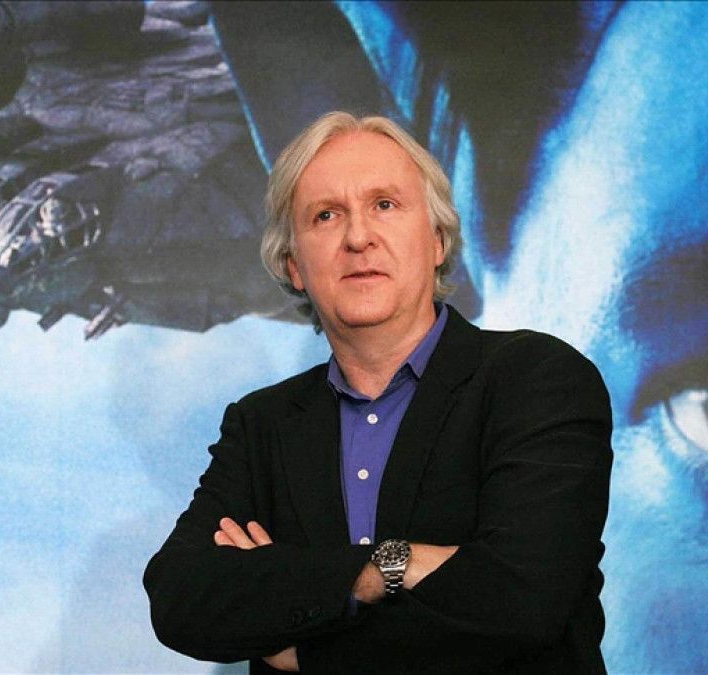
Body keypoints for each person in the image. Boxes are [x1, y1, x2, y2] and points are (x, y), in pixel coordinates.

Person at [143, 111, 613, 674]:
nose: (358, 237)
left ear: (437, 240)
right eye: (325, 215)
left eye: (385, 205)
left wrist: (305, 639)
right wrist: (390, 567)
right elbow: (180, 597)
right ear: (294, 265)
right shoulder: (261, 424)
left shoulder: (537, 379)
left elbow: (521, 602)